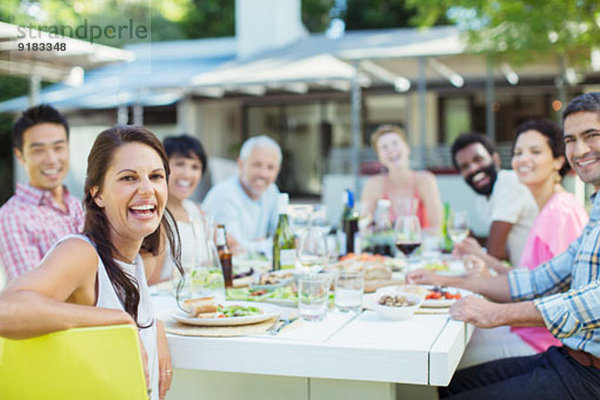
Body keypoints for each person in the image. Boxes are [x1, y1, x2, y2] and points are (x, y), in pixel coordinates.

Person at [410, 92, 600, 399]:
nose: (579, 150)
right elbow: (539, 278)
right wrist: (443, 280)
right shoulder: (596, 211)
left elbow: (589, 301)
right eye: (571, 139)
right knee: (443, 388)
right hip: (570, 357)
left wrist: (495, 314)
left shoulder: (563, 208)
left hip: (589, 376)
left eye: (592, 136)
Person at [0, 125, 183, 400]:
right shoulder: (81, 253)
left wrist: (152, 324)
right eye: (128, 178)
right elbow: (6, 309)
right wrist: (117, 321)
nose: (147, 189)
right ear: (97, 194)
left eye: (156, 176)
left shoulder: (136, 260)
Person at [0, 104, 84, 281]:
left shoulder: (77, 206)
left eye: (58, 147)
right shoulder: (12, 216)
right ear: (20, 155)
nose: (51, 160)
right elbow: (31, 293)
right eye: (38, 150)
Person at [450, 132, 538, 267]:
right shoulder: (483, 199)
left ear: (495, 159)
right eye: (465, 166)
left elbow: (495, 252)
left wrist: (473, 246)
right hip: (520, 272)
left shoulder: (509, 182)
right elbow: (501, 250)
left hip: (536, 277)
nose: (473, 169)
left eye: (478, 159)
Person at [202, 135, 281, 255]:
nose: (263, 174)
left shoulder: (271, 191)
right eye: (257, 165)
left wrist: (256, 244)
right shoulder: (225, 194)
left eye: (270, 167)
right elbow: (236, 249)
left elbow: (286, 236)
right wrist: (267, 243)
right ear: (240, 164)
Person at [147, 134, 209, 285]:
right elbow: (150, 284)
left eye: (195, 167)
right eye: (180, 164)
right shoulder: (155, 218)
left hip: (201, 297)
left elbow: (227, 248)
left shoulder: (196, 211)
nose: (187, 174)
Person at [360, 124, 443, 229]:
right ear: (380, 157)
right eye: (384, 147)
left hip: (422, 244)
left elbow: (437, 227)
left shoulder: (425, 180)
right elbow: (363, 227)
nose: (391, 149)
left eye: (395, 143)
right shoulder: (374, 185)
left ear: (407, 148)